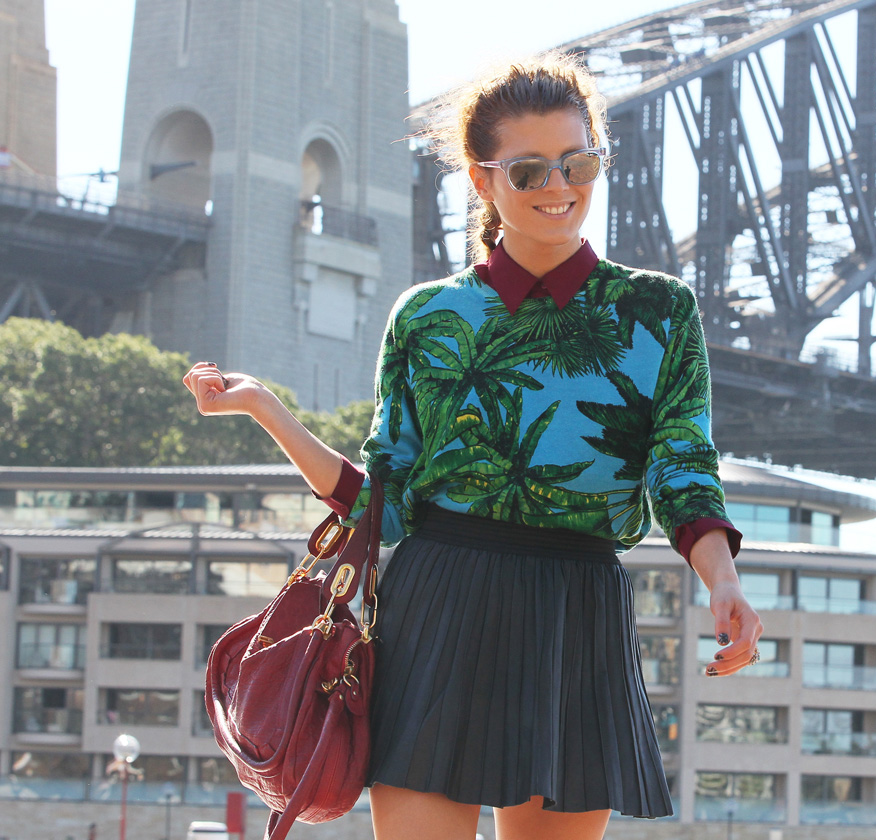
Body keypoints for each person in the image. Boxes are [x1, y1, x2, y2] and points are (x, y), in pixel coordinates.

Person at [183, 51, 762, 840]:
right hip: (440, 606)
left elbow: (683, 466)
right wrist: (265, 410)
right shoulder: (427, 317)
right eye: (528, 171)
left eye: (578, 163)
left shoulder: (659, 312)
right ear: (482, 181)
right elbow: (385, 503)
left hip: (576, 617)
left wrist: (722, 580)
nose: (559, 187)